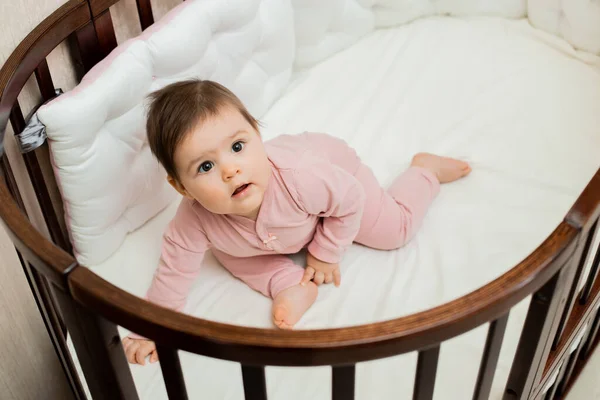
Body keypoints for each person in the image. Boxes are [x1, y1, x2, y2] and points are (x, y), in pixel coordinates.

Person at [122, 79, 471, 365]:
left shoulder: (301, 176)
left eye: (239, 146)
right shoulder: (193, 220)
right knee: (228, 253)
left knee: (395, 231)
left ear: (257, 134)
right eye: (206, 167)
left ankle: (425, 170)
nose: (231, 170)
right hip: (265, 237)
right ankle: (289, 284)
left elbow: (349, 199)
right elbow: (173, 276)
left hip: (339, 186)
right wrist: (150, 329)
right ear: (181, 187)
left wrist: (325, 252)